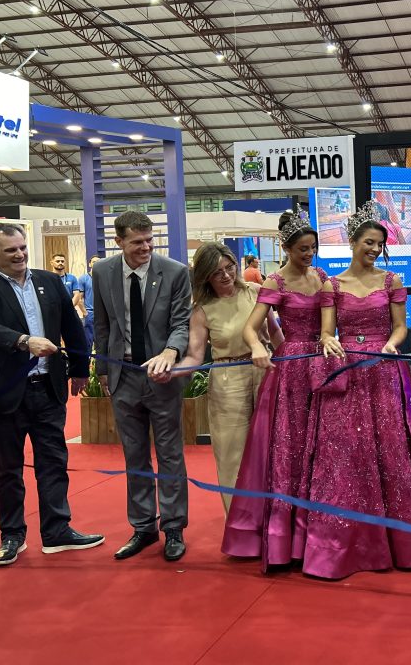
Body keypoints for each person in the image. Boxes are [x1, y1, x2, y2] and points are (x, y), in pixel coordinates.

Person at [297, 201, 411, 579]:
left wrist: (391, 343)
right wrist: (328, 341)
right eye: (368, 242)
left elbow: (401, 327)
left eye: (379, 244)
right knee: (344, 451)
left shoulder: (392, 281)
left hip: (383, 369)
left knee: (389, 448)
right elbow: (326, 331)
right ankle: (340, 545)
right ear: (353, 241)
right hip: (347, 371)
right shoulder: (332, 285)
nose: (374, 249)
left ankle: (398, 543)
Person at [0, 223, 103, 566]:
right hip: (5, 392)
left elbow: (71, 326)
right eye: (10, 250)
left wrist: (79, 370)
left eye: (22, 247)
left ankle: (57, 531)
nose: (20, 254)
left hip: (48, 389)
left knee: (53, 463)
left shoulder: (49, 281)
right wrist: (23, 341)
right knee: (7, 469)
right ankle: (12, 535)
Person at [222, 215, 325, 570]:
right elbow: (251, 328)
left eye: (313, 248)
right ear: (286, 248)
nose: (309, 254)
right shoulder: (275, 280)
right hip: (292, 367)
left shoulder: (321, 276)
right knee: (290, 446)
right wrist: (257, 347)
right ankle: (285, 534)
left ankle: (317, 528)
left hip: (322, 363)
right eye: (302, 249)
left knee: (320, 443)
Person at [93, 211, 192, 562]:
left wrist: (170, 352)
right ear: (119, 241)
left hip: (162, 377)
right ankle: (143, 527)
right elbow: (102, 324)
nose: (146, 247)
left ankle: (174, 528)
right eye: (137, 242)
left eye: (149, 240)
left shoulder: (175, 272)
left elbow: (182, 323)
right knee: (134, 456)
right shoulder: (102, 272)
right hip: (122, 376)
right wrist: (103, 370)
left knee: (169, 455)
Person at [152, 243, 274, 514]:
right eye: (217, 272)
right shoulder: (202, 310)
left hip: (266, 373)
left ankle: (273, 520)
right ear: (205, 276)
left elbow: (276, 335)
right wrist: (170, 370)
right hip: (227, 380)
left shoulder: (256, 291)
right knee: (232, 454)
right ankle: (240, 522)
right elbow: (195, 357)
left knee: (272, 448)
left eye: (229, 267)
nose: (226, 275)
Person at [74, 256, 98, 353]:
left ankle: (100, 361)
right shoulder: (83, 278)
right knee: (88, 341)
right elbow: (79, 298)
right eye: (94, 262)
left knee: (102, 341)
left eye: (99, 262)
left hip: (103, 314)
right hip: (90, 313)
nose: (96, 264)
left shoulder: (105, 278)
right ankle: (87, 361)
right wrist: (85, 312)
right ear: (90, 264)